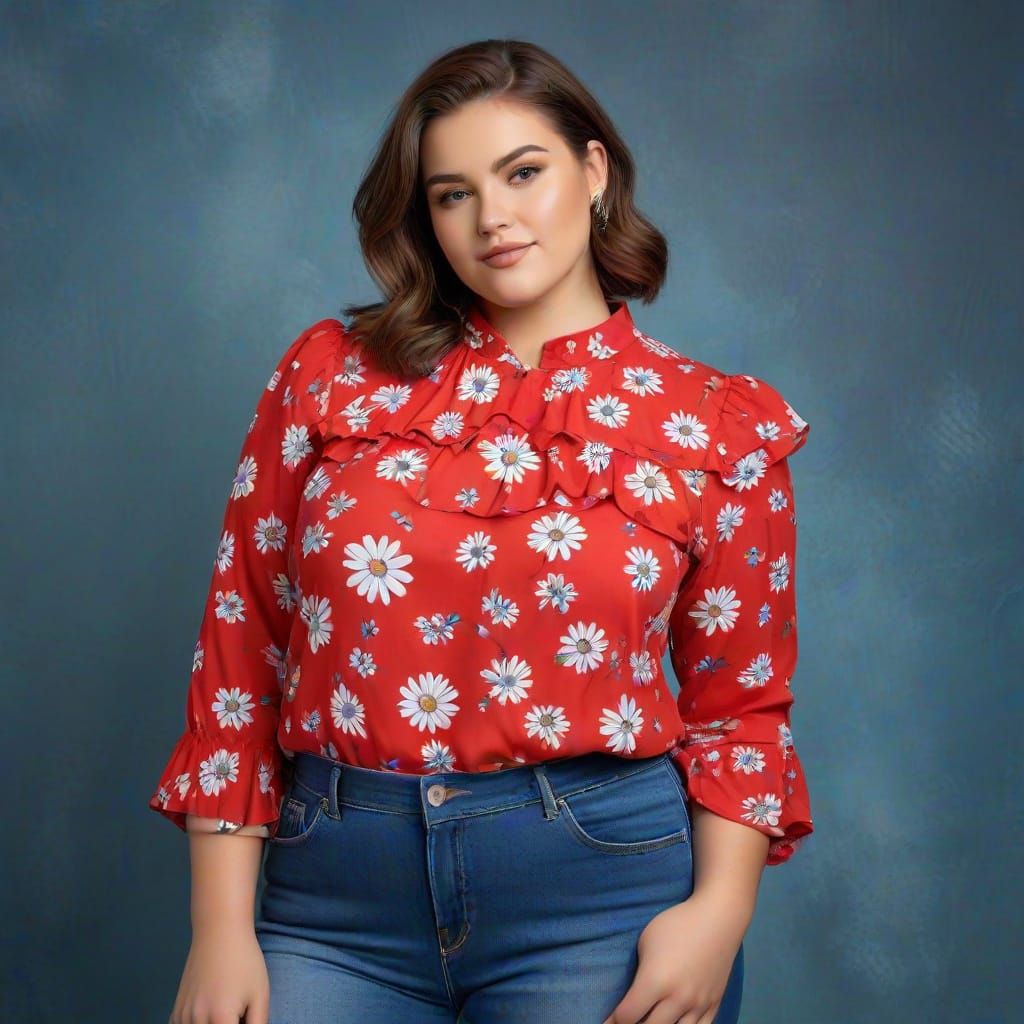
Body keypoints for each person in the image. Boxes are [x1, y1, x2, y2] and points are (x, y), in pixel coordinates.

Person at [152, 37, 814, 1024]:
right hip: (329, 899)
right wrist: (220, 926)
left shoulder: (709, 421)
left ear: (593, 172)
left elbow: (740, 706)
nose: (492, 218)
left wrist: (719, 910)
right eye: (451, 193)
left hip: (600, 897)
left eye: (522, 173)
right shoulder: (329, 374)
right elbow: (243, 646)